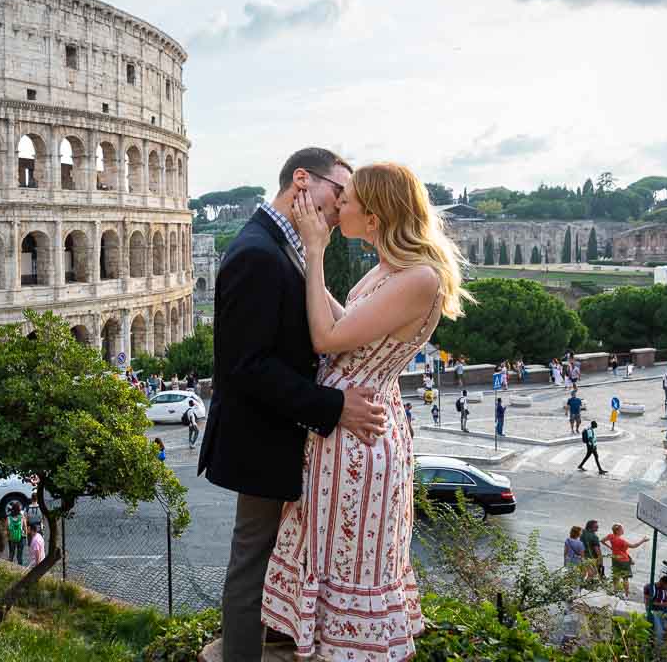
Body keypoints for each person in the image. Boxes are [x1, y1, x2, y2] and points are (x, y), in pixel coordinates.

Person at [260, 160, 471, 661]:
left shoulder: (419, 278)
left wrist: (314, 251)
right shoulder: (389, 269)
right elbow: (350, 324)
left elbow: (326, 339)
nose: (339, 206)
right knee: (326, 549)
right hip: (344, 429)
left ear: (374, 218)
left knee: (352, 559)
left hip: (361, 441)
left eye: (349, 200)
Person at [197, 148, 385, 662]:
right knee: (252, 559)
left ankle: (279, 643)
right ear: (302, 179)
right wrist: (333, 406)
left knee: (277, 554)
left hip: (282, 431)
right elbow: (247, 365)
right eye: (337, 193)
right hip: (263, 436)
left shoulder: (286, 242)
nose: (339, 206)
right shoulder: (257, 251)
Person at [604, 523, 648, 596]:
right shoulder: (622, 541)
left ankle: (615, 591)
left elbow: (602, 541)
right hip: (624, 560)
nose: (623, 530)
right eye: (621, 529)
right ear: (618, 531)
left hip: (615, 558)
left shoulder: (610, 536)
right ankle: (627, 594)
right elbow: (634, 546)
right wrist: (643, 540)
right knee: (625, 578)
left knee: (616, 576)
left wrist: (610, 547)